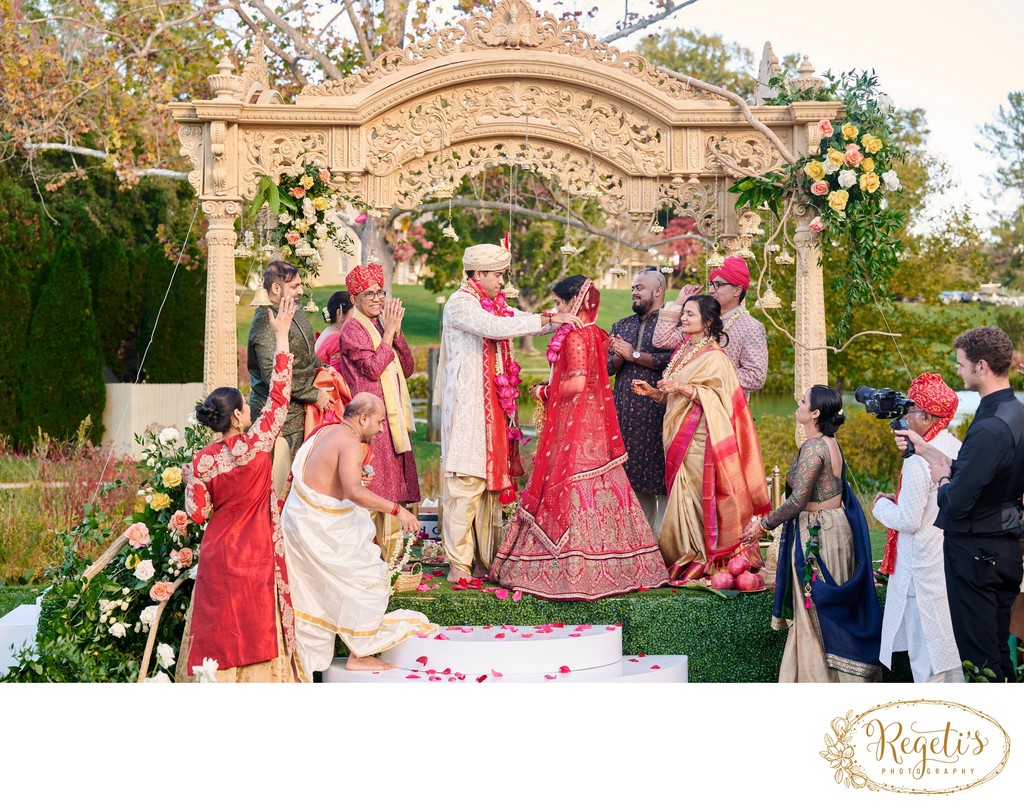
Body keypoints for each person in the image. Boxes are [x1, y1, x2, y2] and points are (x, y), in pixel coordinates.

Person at [491, 276, 669, 600]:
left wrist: (541, 391)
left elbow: (575, 384)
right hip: (595, 424)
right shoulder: (597, 334)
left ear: (574, 303)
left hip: (574, 423)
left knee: (566, 485)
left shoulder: (574, 337)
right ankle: (627, 566)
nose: (556, 310)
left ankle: (566, 570)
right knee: (604, 486)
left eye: (559, 304)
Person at [433, 243, 582, 583]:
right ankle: (459, 563)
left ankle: (485, 560)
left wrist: (555, 320)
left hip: (493, 412)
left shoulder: (495, 305)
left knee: (489, 487)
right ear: (478, 274)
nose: (501, 282)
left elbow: (512, 320)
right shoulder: (460, 305)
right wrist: (547, 318)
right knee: (466, 483)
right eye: (497, 275)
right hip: (470, 410)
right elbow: (494, 327)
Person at [180, 295, 299, 683]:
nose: (250, 409)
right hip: (256, 546)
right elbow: (280, 394)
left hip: (219, 551)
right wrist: (282, 336)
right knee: (254, 619)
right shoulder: (258, 442)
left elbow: (197, 515)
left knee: (219, 622)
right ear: (236, 415)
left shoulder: (201, 462)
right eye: (246, 405)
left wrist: (187, 482)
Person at [897, 327, 1024, 682]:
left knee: (980, 661)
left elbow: (954, 502)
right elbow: (983, 472)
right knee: (998, 650)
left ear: (981, 366)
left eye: (961, 364)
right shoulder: (1015, 412)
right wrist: (925, 450)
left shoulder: (990, 427)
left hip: (977, 553)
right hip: (1003, 544)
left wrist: (941, 479)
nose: (958, 371)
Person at [280, 393, 438, 679]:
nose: (380, 429)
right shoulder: (351, 442)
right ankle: (360, 654)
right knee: (371, 581)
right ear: (363, 418)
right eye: (379, 422)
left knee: (315, 593)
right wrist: (397, 510)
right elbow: (353, 492)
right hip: (322, 531)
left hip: (301, 526)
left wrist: (352, 476)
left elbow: (326, 476)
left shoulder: (327, 431)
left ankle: (307, 663)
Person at [743, 385, 883, 683]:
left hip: (819, 534)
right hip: (837, 528)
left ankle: (815, 681)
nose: (798, 404)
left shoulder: (813, 447)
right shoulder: (830, 442)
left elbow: (797, 501)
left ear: (815, 413)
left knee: (816, 609)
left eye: (804, 401)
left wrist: (762, 525)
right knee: (835, 610)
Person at [633, 294, 770, 581]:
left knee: (695, 498)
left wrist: (680, 387)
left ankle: (698, 556)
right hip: (677, 436)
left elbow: (717, 401)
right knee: (680, 498)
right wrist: (656, 393)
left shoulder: (716, 358)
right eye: (683, 314)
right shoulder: (684, 350)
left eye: (690, 315)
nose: (683, 318)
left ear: (707, 322)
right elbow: (678, 398)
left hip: (700, 440)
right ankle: (681, 553)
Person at [872, 373, 962, 682]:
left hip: (919, 572)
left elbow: (909, 520)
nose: (903, 417)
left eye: (909, 410)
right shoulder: (954, 446)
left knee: (926, 661)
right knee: (949, 654)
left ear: (925, 416)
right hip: (947, 564)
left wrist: (881, 506)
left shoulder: (917, 459)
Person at [336, 263, 419, 563]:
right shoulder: (352, 329)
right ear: (354, 297)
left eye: (379, 292)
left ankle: (393, 559)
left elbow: (407, 368)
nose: (376, 299)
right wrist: (389, 335)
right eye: (368, 294)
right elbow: (372, 369)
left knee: (393, 490)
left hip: (389, 421)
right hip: (368, 422)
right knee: (375, 489)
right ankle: (370, 561)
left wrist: (395, 333)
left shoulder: (382, 326)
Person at [248, 260, 331, 495]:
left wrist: (325, 369)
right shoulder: (266, 322)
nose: (301, 290)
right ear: (276, 289)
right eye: (294, 286)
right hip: (277, 421)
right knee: (280, 488)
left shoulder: (294, 313)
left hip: (301, 414)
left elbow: (307, 357)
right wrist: (314, 394)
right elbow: (273, 375)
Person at [607, 268, 675, 536]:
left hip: (659, 414)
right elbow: (609, 368)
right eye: (633, 288)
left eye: (640, 288)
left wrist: (633, 354)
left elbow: (672, 358)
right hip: (626, 418)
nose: (634, 292)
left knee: (664, 484)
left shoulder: (672, 326)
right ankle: (639, 548)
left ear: (658, 291)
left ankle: (668, 548)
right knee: (633, 484)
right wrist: (619, 356)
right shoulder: (622, 325)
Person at [653, 255, 768, 398]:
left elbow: (755, 377)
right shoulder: (700, 318)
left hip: (722, 411)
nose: (712, 290)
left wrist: (702, 379)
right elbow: (661, 340)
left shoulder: (751, 327)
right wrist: (679, 302)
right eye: (711, 284)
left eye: (718, 285)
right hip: (682, 406)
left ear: (737, 290)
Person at [314, 290, 353, 372]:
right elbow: (339, 376)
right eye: (354, 314)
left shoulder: (329, 330)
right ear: (339, 313)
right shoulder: (337, 340)